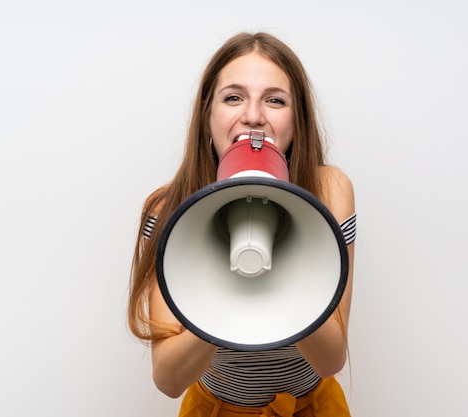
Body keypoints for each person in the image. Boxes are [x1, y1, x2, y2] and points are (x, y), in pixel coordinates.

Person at [128, 31, 356, 417]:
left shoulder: (328, 190)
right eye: (233, 97)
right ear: (207, 115)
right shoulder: (167, 208)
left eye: (275, 100)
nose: (253, 115)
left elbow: (330, 359)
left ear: (297, 121)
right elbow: (168, 379)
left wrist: (281, 261)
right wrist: (226, 291)